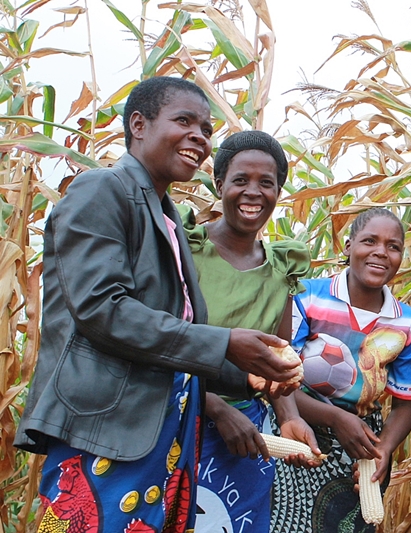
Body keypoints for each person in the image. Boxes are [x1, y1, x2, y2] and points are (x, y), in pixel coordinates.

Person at [15, 77, 300, 533]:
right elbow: (102, 310)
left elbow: (168, 340)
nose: (200, 137)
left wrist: (248, 377)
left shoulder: (165, 217)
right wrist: (224, 342)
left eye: (206, 129)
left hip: (164, 444)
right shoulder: (101, 191)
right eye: (184, 121)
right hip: (106, 435)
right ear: (139, 125)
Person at [181, 130, 321, 533]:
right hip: (176, 420)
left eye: (267, 183)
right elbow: (158, 342)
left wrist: (289, 418)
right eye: (240, 180)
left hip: (245, 436)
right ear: (219, 184)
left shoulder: (281, 270)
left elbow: (277, 364)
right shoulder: (187, 251)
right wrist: (215, 407)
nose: (253, 192)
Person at [269, 208, 411, 533]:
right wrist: (334, 418)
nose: (380, 253)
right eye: (369, 241)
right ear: (348, 246)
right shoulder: (306, 297)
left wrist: (383, 449)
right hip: (295, 426)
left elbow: (405, 406)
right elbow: (278, 379)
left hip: (360, 445)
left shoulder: (409, 325)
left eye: (393, 246)